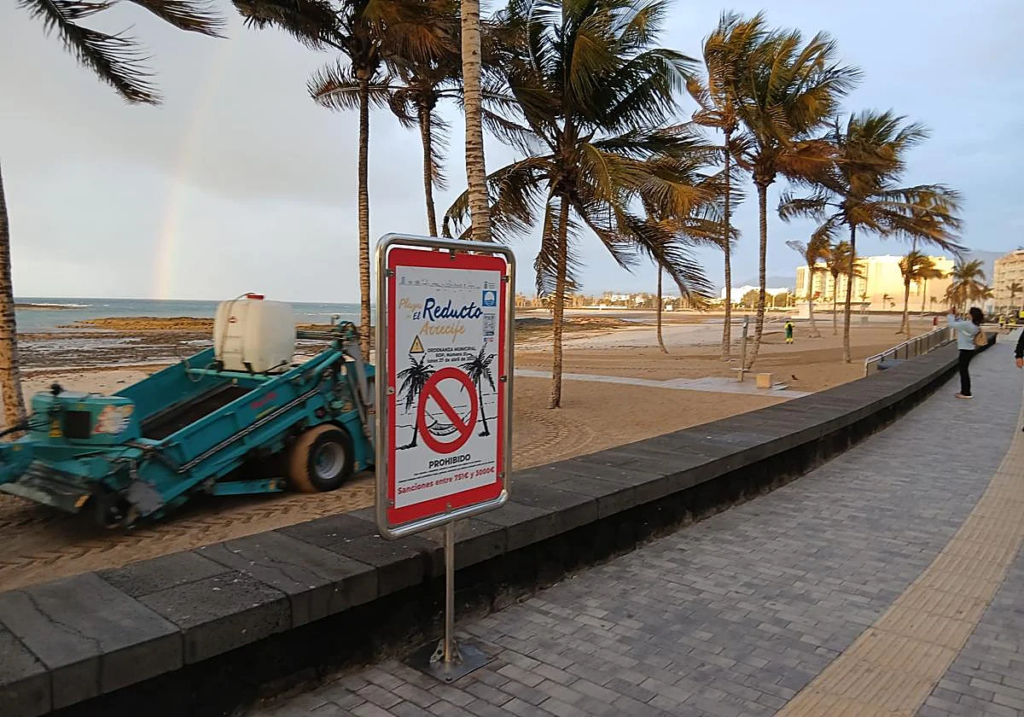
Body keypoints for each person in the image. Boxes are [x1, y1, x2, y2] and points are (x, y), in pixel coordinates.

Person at [948, 307, 984, 399]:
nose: (967, 314)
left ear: (972, 315)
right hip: (969, 349)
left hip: (965, 350)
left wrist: (951, 315)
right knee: (964, 370)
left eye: (968, 313)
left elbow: (952, 325)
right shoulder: (974, 325)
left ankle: (966, 392)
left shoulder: (968, 325)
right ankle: (965, 391)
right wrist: (957, 317)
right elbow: (961, 324)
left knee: (963, 371)